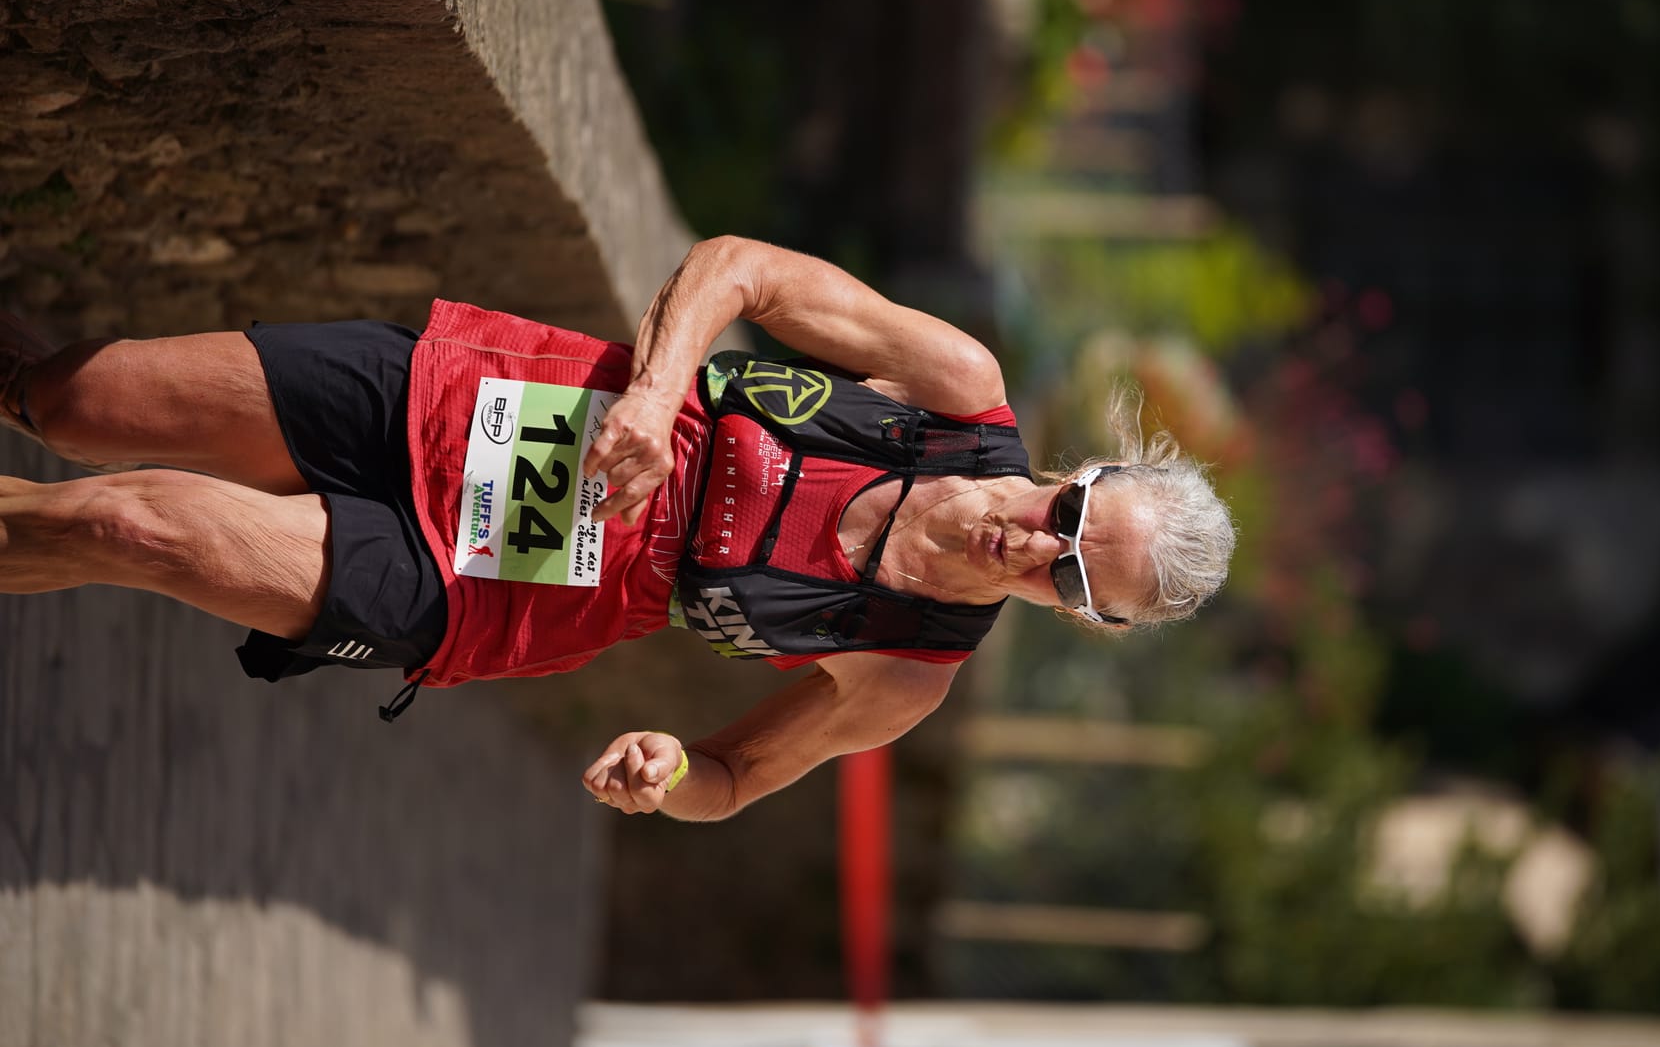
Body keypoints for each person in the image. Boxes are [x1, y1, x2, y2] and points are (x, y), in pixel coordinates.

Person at [0, 236, 1233, 819]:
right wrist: (653, 394)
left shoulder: (906, 668)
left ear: (1078, 617)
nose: (1037, 541)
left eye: (1071, 577)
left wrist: (668, 773)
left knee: (134, 527)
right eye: (1069, 513)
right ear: (1079, 468)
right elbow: (739, 270)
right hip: (497, 398)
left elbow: (740, 773)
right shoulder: (951, 388)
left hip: (493, 590)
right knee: (76, 402)